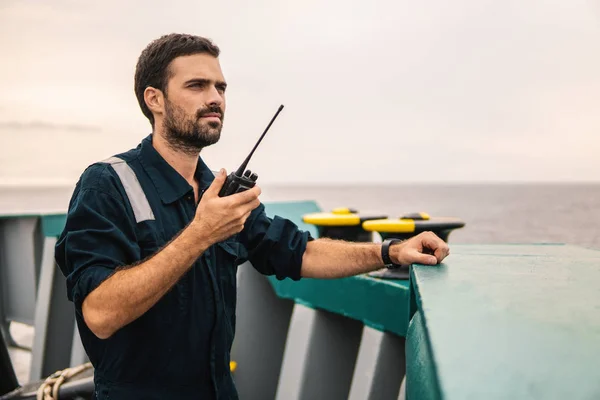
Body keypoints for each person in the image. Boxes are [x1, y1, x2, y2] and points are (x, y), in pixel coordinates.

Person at [55, 33, 450, 400]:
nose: (216, 98)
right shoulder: (107, 183)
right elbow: (101, 313)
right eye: (197, 86)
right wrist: (200, 233)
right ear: (154, 99)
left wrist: (391, 252)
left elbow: (300, 253)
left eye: (220, 87)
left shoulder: (219, 191)